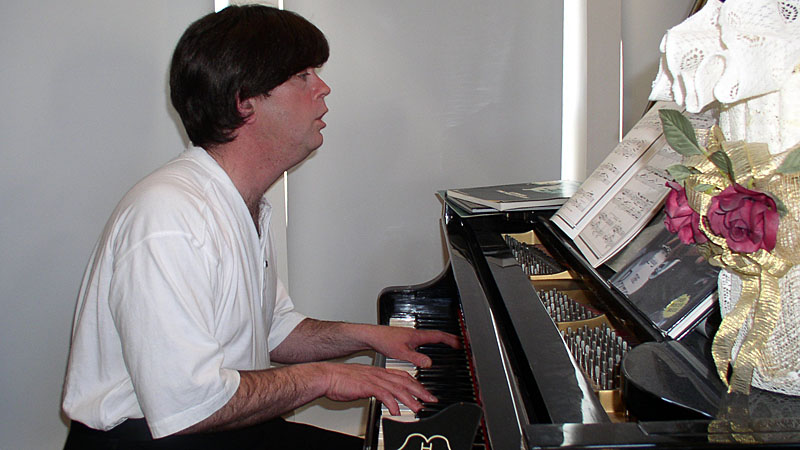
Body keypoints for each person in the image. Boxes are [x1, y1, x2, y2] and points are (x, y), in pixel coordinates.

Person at [61, 5, 459, 449]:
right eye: (303, 76)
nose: (323, 88)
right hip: (156, 437)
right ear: (244, 101)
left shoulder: (242, 203)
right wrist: (325, 377)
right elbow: (190, 403)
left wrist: (372, 337)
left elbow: (273, 330)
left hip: (217, 426)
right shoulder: (169, 218)